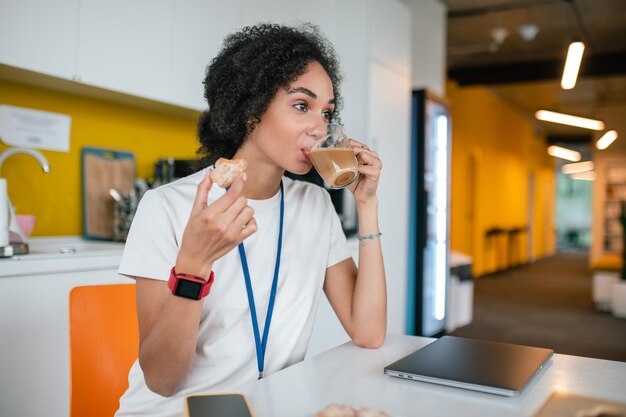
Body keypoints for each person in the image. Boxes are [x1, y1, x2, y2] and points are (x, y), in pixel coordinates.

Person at [115, 23, 386, 417]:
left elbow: (369, 332)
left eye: (326, 112)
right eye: (301, 105)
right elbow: (162, 379)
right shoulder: (168, 207)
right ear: (251, 111)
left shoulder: (315, 205)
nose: (320, 127)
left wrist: (367, 204)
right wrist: (193, 267)